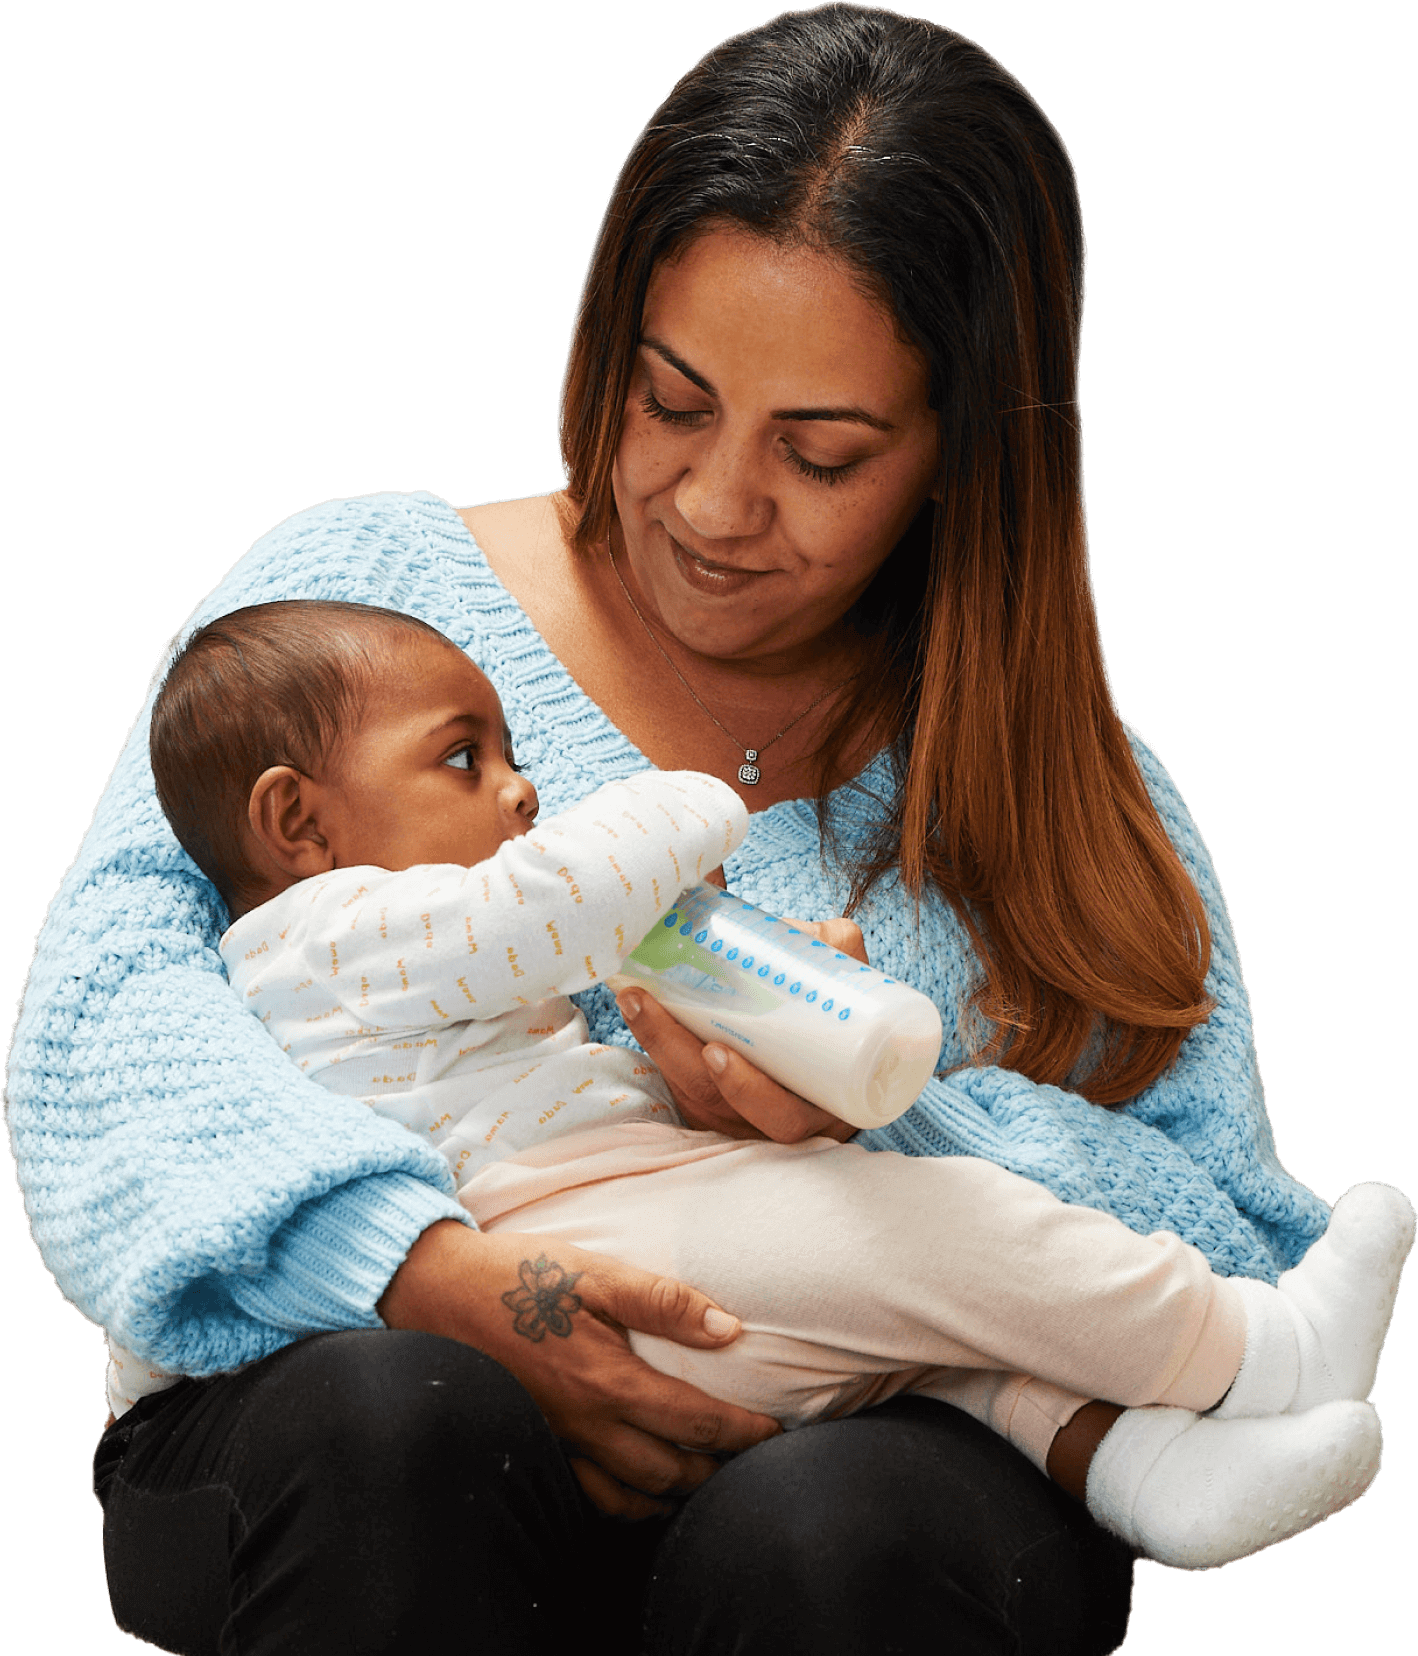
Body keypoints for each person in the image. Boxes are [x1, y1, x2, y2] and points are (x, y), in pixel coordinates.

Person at [5, 7, 1406, 1651]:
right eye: (670, 400)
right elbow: (104, 1036)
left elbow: (1225, 1234)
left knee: (845, 1523)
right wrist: (409, 1264)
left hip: (841, 1448)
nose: (713, 503)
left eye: (820, 453)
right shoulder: (359, 613)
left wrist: (876, 1131)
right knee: (403, 1412)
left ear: (958, 456)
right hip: (351, 1425)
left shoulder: (1070, 795)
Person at [130, 592, 1405, 1576]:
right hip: (569, 1267)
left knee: (939, 1350)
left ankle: (1142, 1465)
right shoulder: (327, 932)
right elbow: (544, 907)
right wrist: (683, 801)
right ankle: (1258, 1350)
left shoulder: (390, 964)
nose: (519, 789)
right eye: (463, 759)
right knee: (933, 1230)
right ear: (297, 825)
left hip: (619, 1252)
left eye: (513, 752)